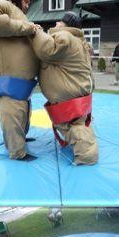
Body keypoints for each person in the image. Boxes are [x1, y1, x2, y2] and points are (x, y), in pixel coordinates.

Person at [30, 11, 99, 165]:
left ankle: (87, 156)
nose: (56, 24)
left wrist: (36, 32)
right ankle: (85, 149)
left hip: (71, 94)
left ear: (66, 25)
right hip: (79, 91)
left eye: (59, 22)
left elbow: (48, 50)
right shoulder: (79, 41)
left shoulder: (65, 37)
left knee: (73, 125)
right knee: (75, 122)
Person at [0, 0, 40, 161]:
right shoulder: (0, 5)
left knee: (22, 114)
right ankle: (17, 152)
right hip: (8, 82)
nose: (27, 5)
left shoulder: (21, 16)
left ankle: (20, 140)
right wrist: (28, 27)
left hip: (24, 85)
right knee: (12, 114)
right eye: (25, 1)